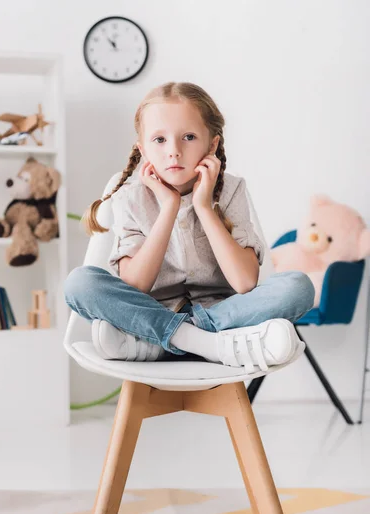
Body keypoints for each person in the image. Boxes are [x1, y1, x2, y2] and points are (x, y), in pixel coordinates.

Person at [64, 81, 315, 374]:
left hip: (220, 311)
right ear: (142, 149)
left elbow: (245, 282)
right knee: (80, 284)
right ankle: (207, 344)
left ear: (212, 144)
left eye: (189, 137)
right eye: (159, 140)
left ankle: (159, 342)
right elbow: (136, 285)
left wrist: (204, 207)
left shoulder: (231, 190)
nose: (174, 151)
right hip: (155, 308)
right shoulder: (130, 198)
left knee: (298, 287)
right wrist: (168, 207)